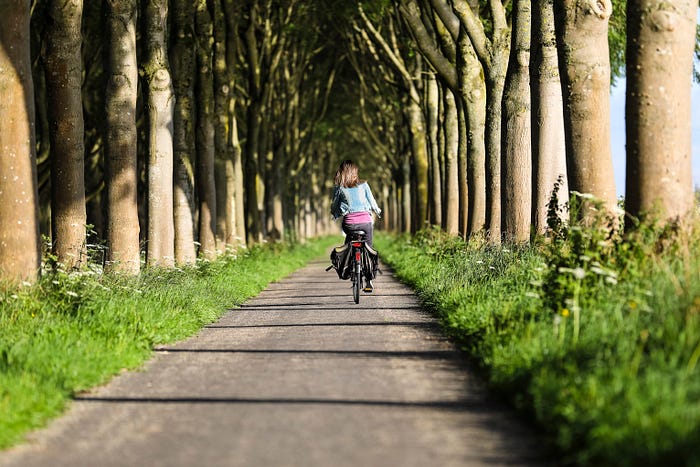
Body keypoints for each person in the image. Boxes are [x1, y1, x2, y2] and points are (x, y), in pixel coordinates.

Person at [331, 160, 382, 292]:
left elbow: (335, 206)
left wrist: (335, 215)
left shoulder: (339, 188)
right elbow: (371, 200)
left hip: (349, 224)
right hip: (366, 223)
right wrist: (377, 210)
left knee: (349, 242)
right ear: (355, 173)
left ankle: (347, 266)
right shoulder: (364, 184)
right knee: (369, 249)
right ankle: (369, 280)